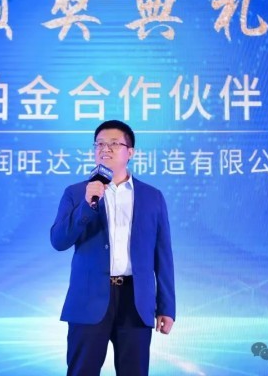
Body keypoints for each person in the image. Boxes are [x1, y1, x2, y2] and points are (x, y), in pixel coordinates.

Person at [50, 120, 176, 376]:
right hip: (89, 300)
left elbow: (163, 255)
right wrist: (87, 205)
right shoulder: (77, 193)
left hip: (135, 301)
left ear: (130, 152)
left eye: (113, 144)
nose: (104, 149)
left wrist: (166, 307)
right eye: (99, 144)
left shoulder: (152, 197)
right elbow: (59, 241)